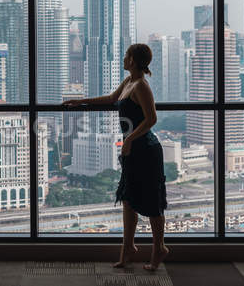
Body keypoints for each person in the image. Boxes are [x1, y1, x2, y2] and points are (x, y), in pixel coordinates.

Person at [63, 43, 168, 271]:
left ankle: (159, 247)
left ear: (132, 60)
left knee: (151, 201)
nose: (123, 58)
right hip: (134, 149)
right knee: (128, 198)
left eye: (126, 55)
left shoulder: (141, 86)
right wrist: (80, 101)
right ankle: (128, 248)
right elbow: (111, 99)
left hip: (146, 150)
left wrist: (129, 140)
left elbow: (151, 119)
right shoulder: (129, 82)